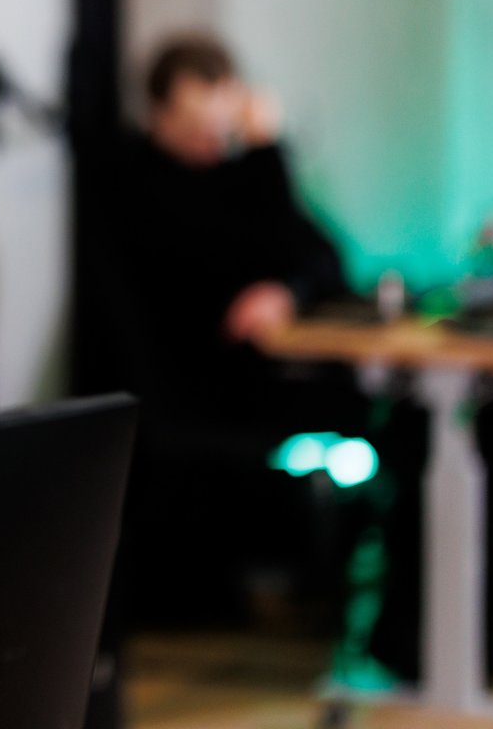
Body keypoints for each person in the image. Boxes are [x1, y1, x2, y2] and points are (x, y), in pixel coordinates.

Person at [108, 33, 356, 623]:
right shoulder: (137, 184)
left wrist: (285, 292)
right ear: (159, 115)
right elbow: (222, 254)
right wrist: (267, 153)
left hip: (249, 378)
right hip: (187, 388)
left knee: (370, 408)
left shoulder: (237, 173)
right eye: (194, 124)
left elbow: (323, 258)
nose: (209, 139)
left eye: (219, 124)